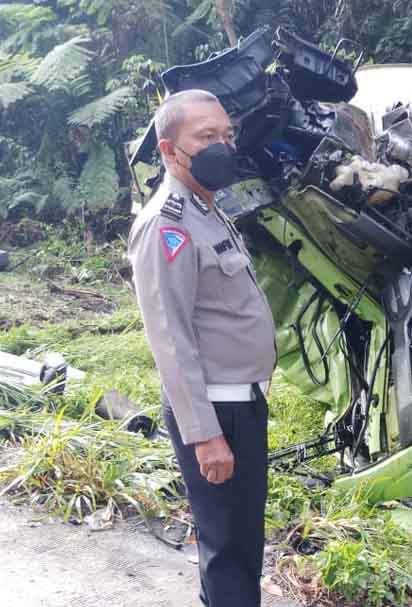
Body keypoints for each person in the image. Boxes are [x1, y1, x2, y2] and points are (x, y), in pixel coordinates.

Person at [127, 89, 277, 607]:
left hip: (240, 403)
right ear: (170, 151)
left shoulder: (207, 209)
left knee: (241, 539)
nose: (223, 146)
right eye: (206, 136)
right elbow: (170, 339)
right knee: (228, 548)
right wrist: (205, 435)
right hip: (216, 412)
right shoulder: (166, 225)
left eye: (227, 135)